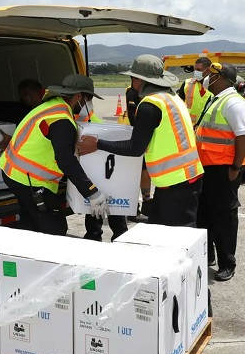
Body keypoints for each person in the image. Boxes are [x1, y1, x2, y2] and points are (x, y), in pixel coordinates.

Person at [78, 54, 203, 227]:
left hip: (175, 182)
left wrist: (97, 144)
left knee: (179, 236)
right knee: (162, 228)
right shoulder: (172, 98)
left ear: (139, 80)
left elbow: (135, 148)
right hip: (185, 177)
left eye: (132, 78)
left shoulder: (150, 105)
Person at [0, 74, 109, 235]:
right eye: (88, 99)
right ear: (78, 97)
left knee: (33, 222)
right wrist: (92, 192)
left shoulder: (53, 106)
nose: (89, 104)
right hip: (28, 179)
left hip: (14, 171)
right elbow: (65, 160)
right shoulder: (61, 120)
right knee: (55, 228)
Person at [195, 62, 245, 281]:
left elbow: (243, 136)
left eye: (210, 74)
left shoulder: (233, 103)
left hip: (225, 169)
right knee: (205, 212)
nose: (206, 77)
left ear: (221, 78)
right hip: (208, 166)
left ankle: (227, 262)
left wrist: (236, 167)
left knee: (224, 216)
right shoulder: (215, 99)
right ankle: (208, 255)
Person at [75, 108, 128, 242]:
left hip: (103, 178)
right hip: (104, 180)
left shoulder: (93, 126)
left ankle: (100, 238)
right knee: (107, 216)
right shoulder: (84, 122)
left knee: (109, 216)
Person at [0, 79, 46, 153]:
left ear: (29, 94)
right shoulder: (50, 106)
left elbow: (38, 142)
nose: (23, 100)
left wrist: (11, 142)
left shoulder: (41, 113)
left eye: (22, 97)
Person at [125, 84, 151, 222]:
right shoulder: (132, 92)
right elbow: (132, 117)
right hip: (136, 136)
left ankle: (146, 202)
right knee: (138, 173)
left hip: (146, 137)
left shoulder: (148, 91)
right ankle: (133, 207)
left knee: (145, 171)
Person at [177, 57, 214, 124]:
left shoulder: (216, 85)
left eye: (198, 70)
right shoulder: (187, 83)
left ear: (208, 70)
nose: (196, 72)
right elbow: (179, 105)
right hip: (189, 126)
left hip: (206, 127)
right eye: (195, 70)